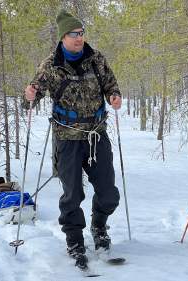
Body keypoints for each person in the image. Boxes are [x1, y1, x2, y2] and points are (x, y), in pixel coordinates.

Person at [23, 9, 122, 270]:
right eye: (73, 34)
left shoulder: (95, 59)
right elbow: (31, 98)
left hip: (96, 135)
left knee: (109, 192)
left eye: (81, 33)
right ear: (63, 37)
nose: (79, 38)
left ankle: (99, 226)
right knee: (72, 194)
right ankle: (75, 239)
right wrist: (30, 95)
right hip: (67, 138)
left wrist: (114, 96)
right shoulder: (51, 65)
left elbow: (111, 84)